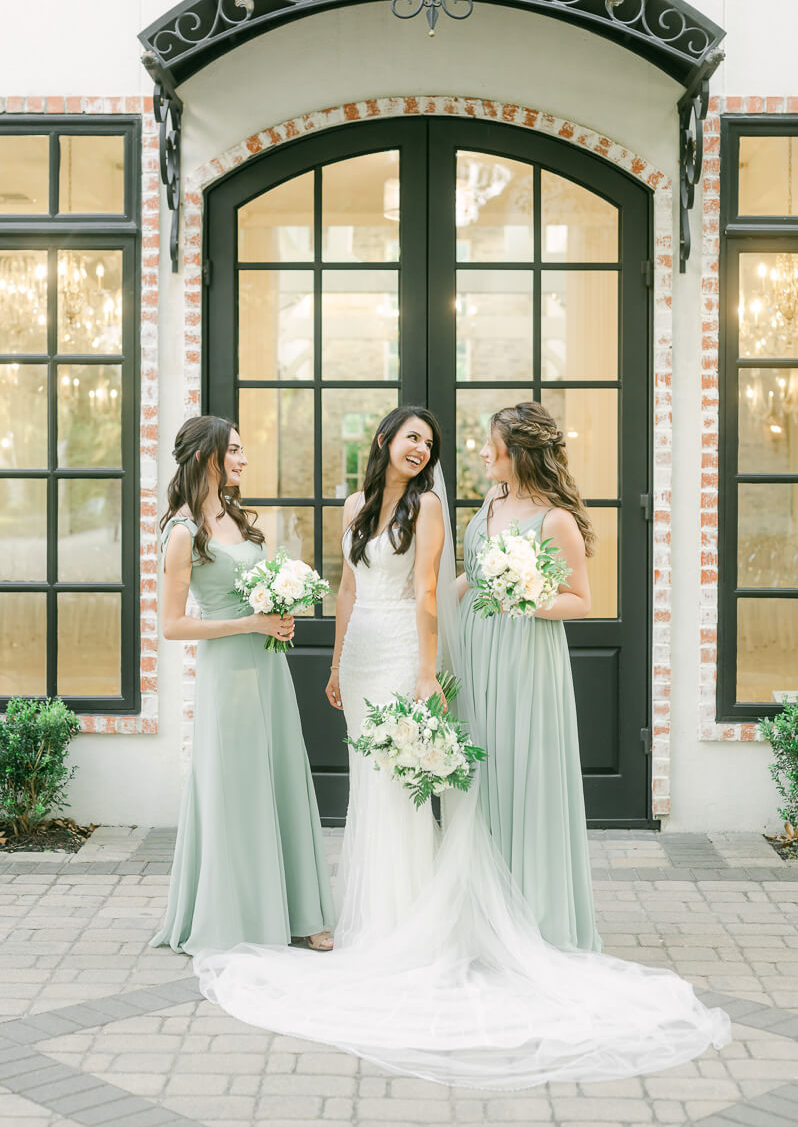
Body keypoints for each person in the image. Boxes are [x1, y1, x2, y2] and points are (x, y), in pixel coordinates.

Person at [192, 406, 730, 1089]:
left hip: (411, 658)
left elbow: (428, 592)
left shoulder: (432, 510)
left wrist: (428, 668)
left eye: (435, 442)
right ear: (384, 439)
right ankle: (373, 921)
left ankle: (416, 927)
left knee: (408, 791)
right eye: (412, 437)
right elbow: (353, 584)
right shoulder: (363, 504)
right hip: (361, 658)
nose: (430, 449)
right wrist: (332, 663)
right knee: (372, 790)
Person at [150, 415, 334, 955]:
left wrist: (277, 610)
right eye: (234, 450)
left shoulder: (236, 518)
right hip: (228, 673)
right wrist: (248, 624)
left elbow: (255, 589)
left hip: (268, 666)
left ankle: (301, 912)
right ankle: (239, 916)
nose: (243, 460)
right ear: (209, 457)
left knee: (281, 778)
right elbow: (173, 624)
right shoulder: (183, 534)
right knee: (237, 787)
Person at [458, 402, 601, 951]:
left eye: (493, 443)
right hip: (478, 649)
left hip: (525, 657)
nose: (484, 452)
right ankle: (485, 913)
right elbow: (470, 578)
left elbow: (580, 602)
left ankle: (534, 918)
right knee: (483, 776)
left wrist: (525, 597)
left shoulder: (555, 519)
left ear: (520, 453)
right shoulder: (492, 500)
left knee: (523, 771)